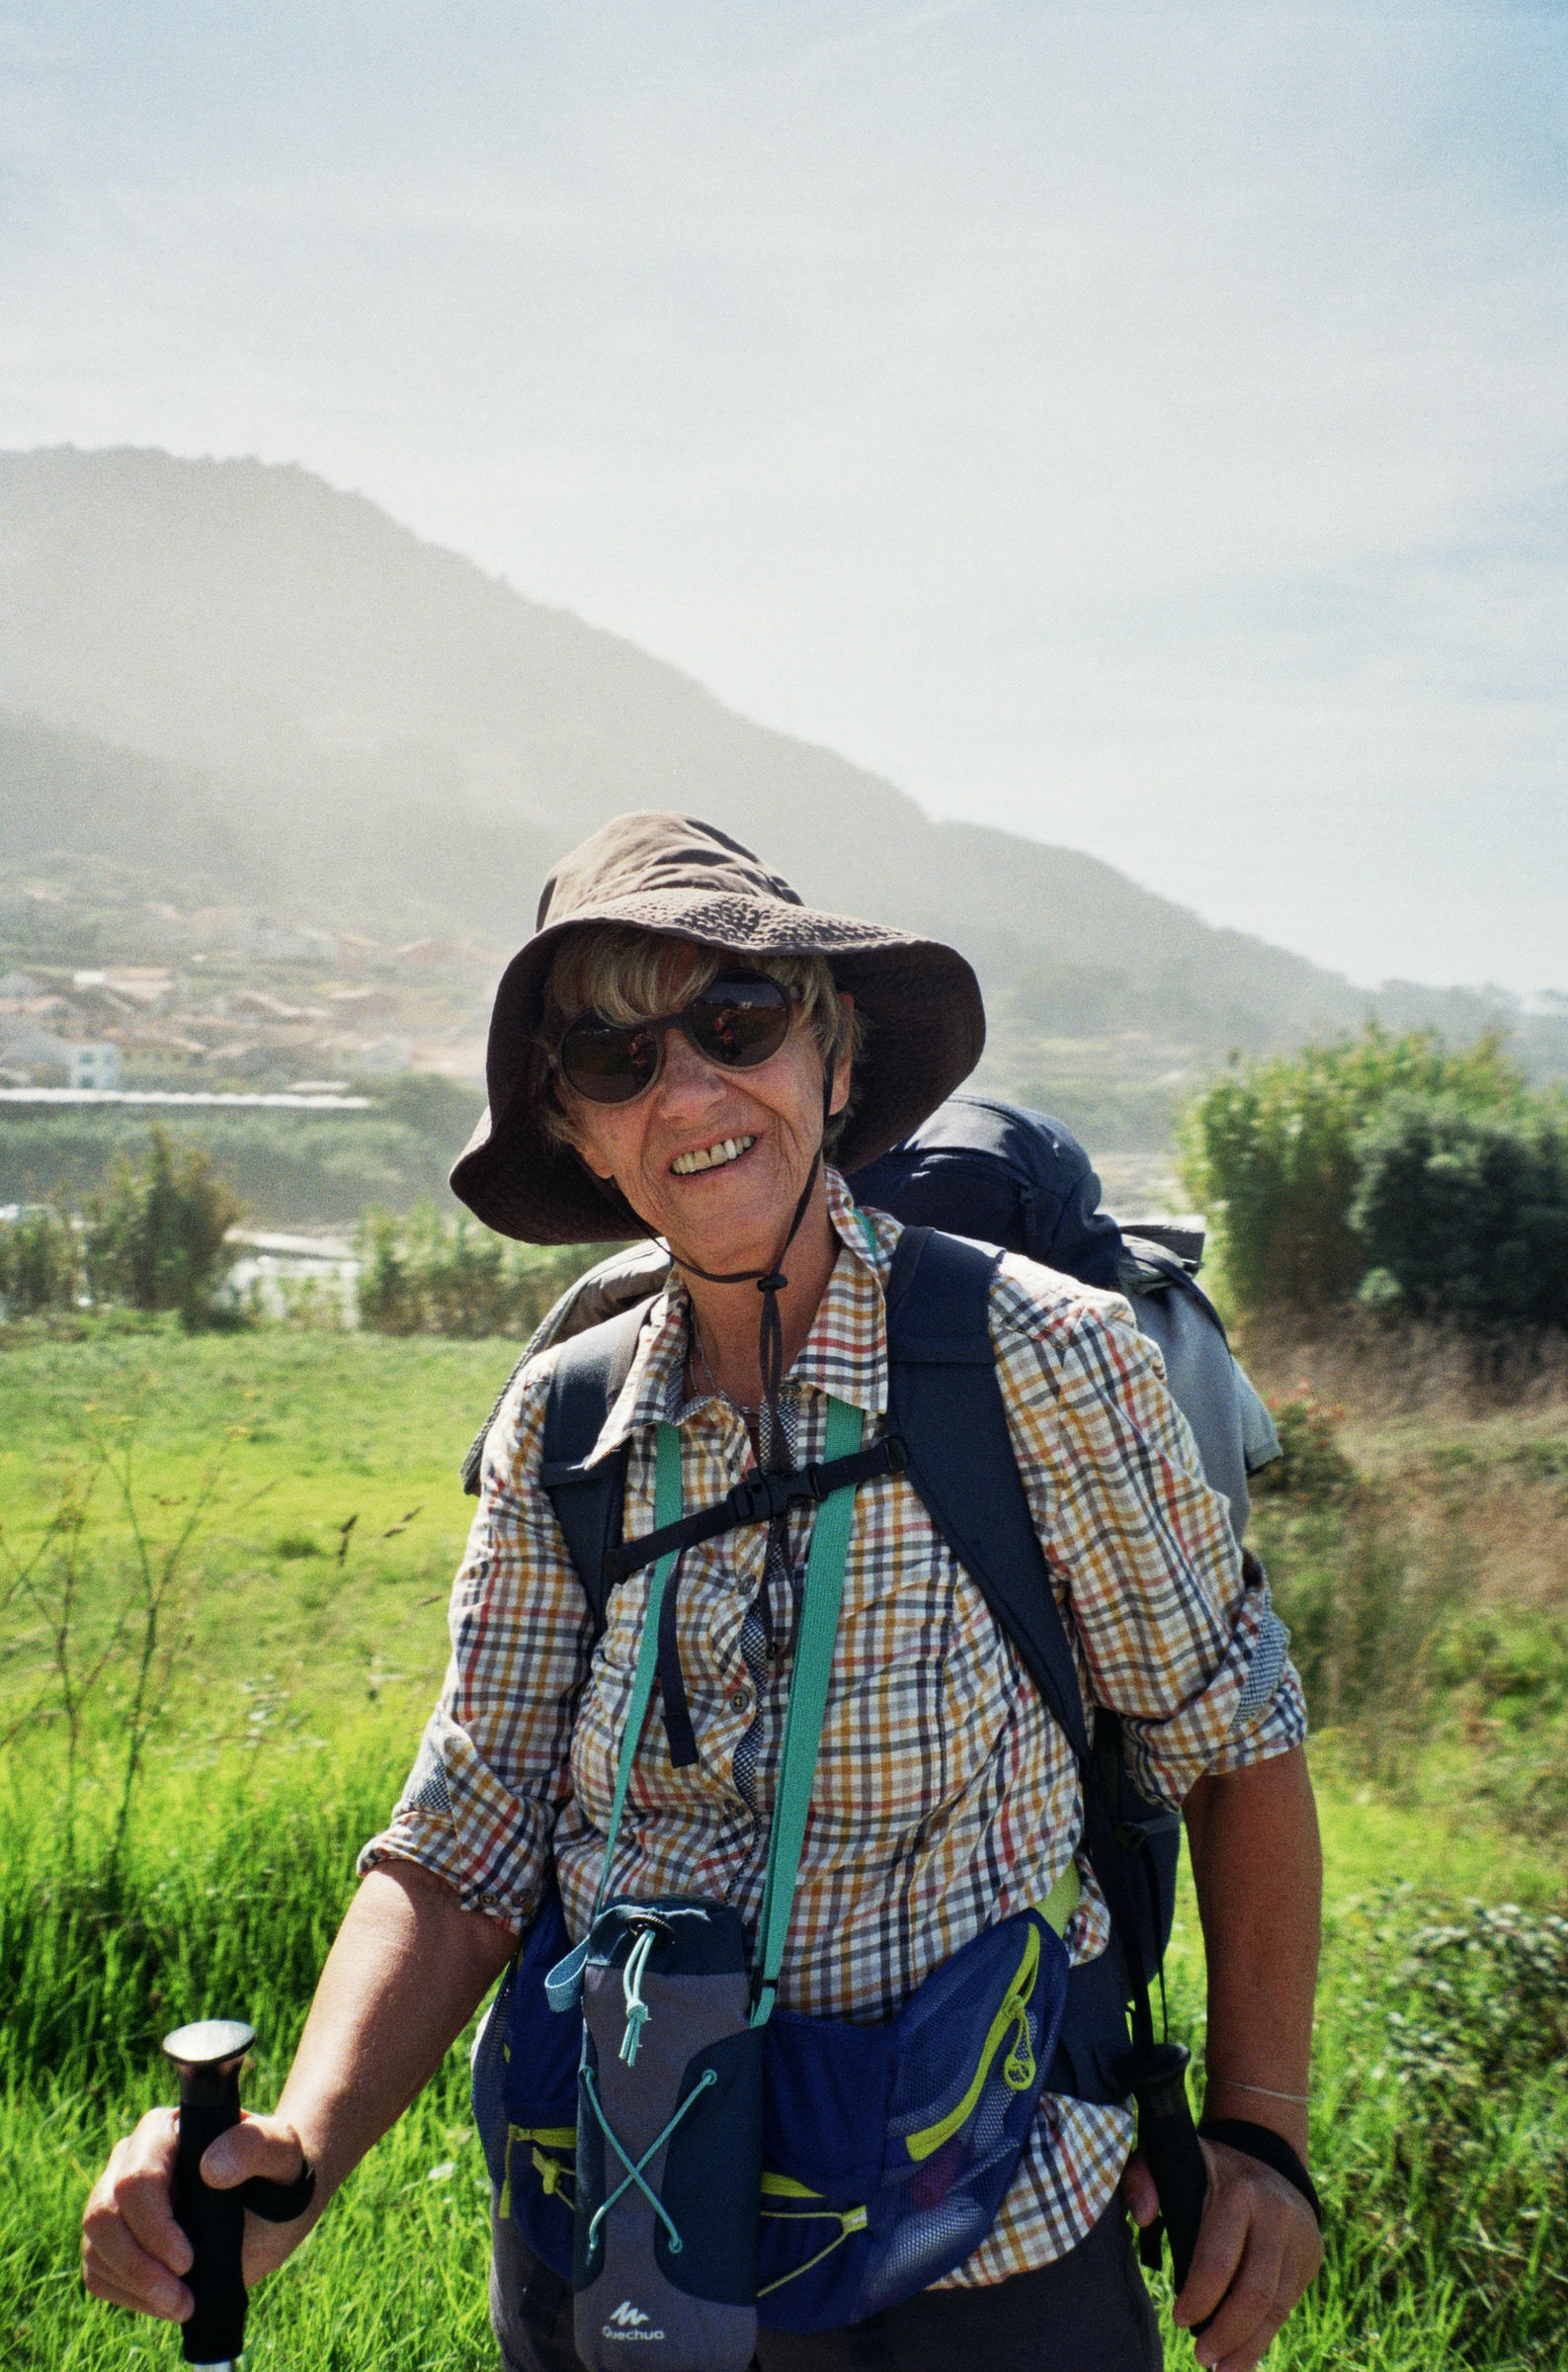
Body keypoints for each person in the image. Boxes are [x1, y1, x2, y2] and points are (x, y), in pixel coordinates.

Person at [83, 813, 1323, 2372]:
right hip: (614, 2233)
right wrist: (299, 2152)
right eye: (615, 1060)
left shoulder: (1046, 1364)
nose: (684, 1090)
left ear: (834, 1057)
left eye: (735, 1021)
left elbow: (1234, 1744)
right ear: (581, 1132)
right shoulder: (566, 1425)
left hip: (978, 2257)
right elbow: (467, 1839)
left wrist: (1260, 2134)